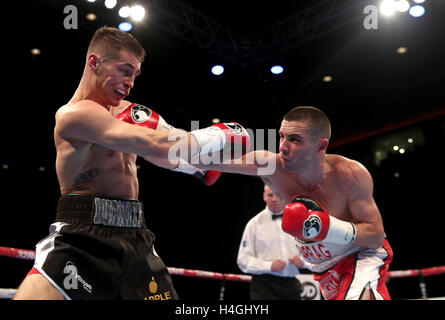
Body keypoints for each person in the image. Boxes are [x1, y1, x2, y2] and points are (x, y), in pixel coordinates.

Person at [13, 26, 250, 300]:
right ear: (95, 62)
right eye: (125, 71)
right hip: (82, 236)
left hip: (135, 233)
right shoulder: (74, 115)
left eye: (135, 75)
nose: (131, 82)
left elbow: (168, 151)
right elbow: (155, 144)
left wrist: (204, 166)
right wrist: (219, 133)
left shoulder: (130, 112)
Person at [196, 106, 393, 300]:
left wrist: (328, 227)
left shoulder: (349, 174)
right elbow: (201, 161)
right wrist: (180, 140)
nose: (282, 146)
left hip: (360, 256)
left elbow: (376, 237)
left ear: (321, 146)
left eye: (294, 139)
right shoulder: (272, 167)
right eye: (282, 136)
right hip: (322, 267)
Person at [237, 184, 304, 300]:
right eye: (270, 195)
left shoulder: (297, 221)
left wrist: (303, 261)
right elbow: (243, 260)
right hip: (264, 285)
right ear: (264, 196)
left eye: (277, 194)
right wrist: (268, 266)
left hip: (292, 283)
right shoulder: (254, 224)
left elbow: (311, 251)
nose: (274, 199)